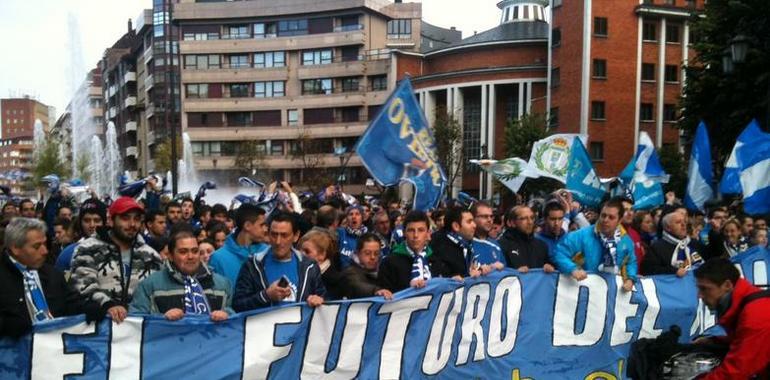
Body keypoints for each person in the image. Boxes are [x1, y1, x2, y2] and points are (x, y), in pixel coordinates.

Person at [69, 197, 163, 324]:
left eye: (136, 218)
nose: (132, 224)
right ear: (110, 221)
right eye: (125, 218)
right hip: (100, 331)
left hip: (140, 332)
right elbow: (83, 288)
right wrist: (107, 305)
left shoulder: (152, 256)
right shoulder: (87, 249)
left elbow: (158, 293)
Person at [0, 218, 96, 338]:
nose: (45, 251)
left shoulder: (54, 274)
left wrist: (95, 308)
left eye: (45, 244)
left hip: (52, 348)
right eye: (36, 246)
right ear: (15, 248)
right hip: (14, 352)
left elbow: (73, 303)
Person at [129, 231, 232, 322]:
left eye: (195, 251)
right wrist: (161, 319)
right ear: (170, 256)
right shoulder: (150, 285)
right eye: (183, 252)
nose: (190, 256)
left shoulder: (222, 284)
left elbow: (235, 319)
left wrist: (227, 315)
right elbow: (136, 322)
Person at [693, 258, 770, 379]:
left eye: (704, 289)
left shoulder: (756, 315)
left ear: (727, 285)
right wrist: (716, 341)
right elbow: (746, 339)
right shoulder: (749, 302)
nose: (699, 295)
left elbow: (736, 371)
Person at [233, 213, 325, 311]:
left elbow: (324, 300)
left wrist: (319, 300)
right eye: (274, 234)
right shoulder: (252, 265)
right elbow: (238, 305)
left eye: (284, 235)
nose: (278, 241)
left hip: (299, 326)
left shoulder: (309, 266)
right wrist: (266, 296)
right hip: (265, 325)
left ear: (296, 236)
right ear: (268, 234)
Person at [553, 198, 637, 292]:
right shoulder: (582, 235)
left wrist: (630, 279)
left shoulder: (626, 241)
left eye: (611, 217)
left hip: (609, 293)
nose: (605, 220)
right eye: (603, 215)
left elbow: (630, 262)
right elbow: (559, 253)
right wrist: (573, 269)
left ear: (619, 220)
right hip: (580, 289)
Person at [208, 204, 269, 287]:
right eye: (262, 225)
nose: (265, 229)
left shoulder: (268, 253)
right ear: (247, 226)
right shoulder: (218, 258)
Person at [378, 210, 433, 293]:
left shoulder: (437, 259)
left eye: (421, 230)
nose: (416, 235)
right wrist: (409, 288)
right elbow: (384, 296)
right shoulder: (389, 262)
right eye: (411, 230)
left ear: (428, 234)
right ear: (404, 233)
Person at [641, 211, 707, 276]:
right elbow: (648, 270)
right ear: (668, 228)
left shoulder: (695, 244)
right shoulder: (657, 248)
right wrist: (673, 271)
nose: (683, 224)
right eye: (678, 222)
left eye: (684, 222)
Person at [54, 198, 107, 272]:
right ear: (80, 223)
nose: (92, 225)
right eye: (87, 220)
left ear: (104, 222)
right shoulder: (69, 253)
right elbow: (65, 281)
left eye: (97, 220)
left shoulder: (115, 249)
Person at [499, 205, 554, 274]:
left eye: (532, 218)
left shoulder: (541, 246)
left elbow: (551, 267)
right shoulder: (501, 245)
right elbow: (498, 273)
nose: (530, 222)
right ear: (512, 223)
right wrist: (514, 273)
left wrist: (549, 267)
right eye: (524, 218)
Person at [429, 206, 481, 279]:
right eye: (469, 222)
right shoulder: (438, 246)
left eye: (473, 221)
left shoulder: (466, 245)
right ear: (456, 226)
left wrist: (480, 270)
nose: (474, 225)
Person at [342, 233, 393, 299]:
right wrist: (376, 291)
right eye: (367, 253)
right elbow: (357, 286)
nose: (372, 257)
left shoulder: (384, 270)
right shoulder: (350, 273)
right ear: (358, 253)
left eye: (376, 253)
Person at [299, 229, 345, 300]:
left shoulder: (335, 282)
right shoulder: (299, 271)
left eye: (307, 251)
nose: (301, 254)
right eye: (300, 250)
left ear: (322, 255)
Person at [471, 202, 505, 273]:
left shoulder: (496, 245)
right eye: (484, 216)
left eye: (491, 216)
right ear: (473, 218)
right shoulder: (466, 244)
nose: (489, 220)